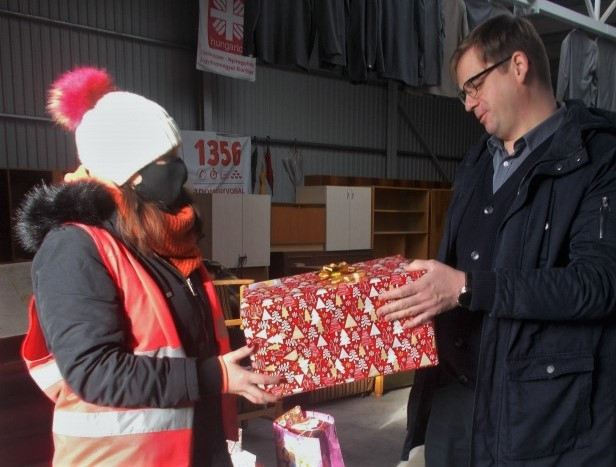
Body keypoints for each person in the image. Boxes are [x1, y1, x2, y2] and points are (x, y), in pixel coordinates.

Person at [378, 15, 616, 466]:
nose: (468, 104)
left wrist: (466, 287)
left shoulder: (597, 159)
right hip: (451, 401)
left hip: (534, 415)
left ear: (518, 66)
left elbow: (598, 285)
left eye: (474, 86)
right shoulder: (476, 163)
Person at [15, 67, 280, 466]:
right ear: (132, 173)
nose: (180, 169)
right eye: (166, 159)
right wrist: (215, 376)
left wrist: (255, 357)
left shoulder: (165, 241)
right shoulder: (73, 248)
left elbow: (190, 341)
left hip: (197, 447)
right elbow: (94, 371)